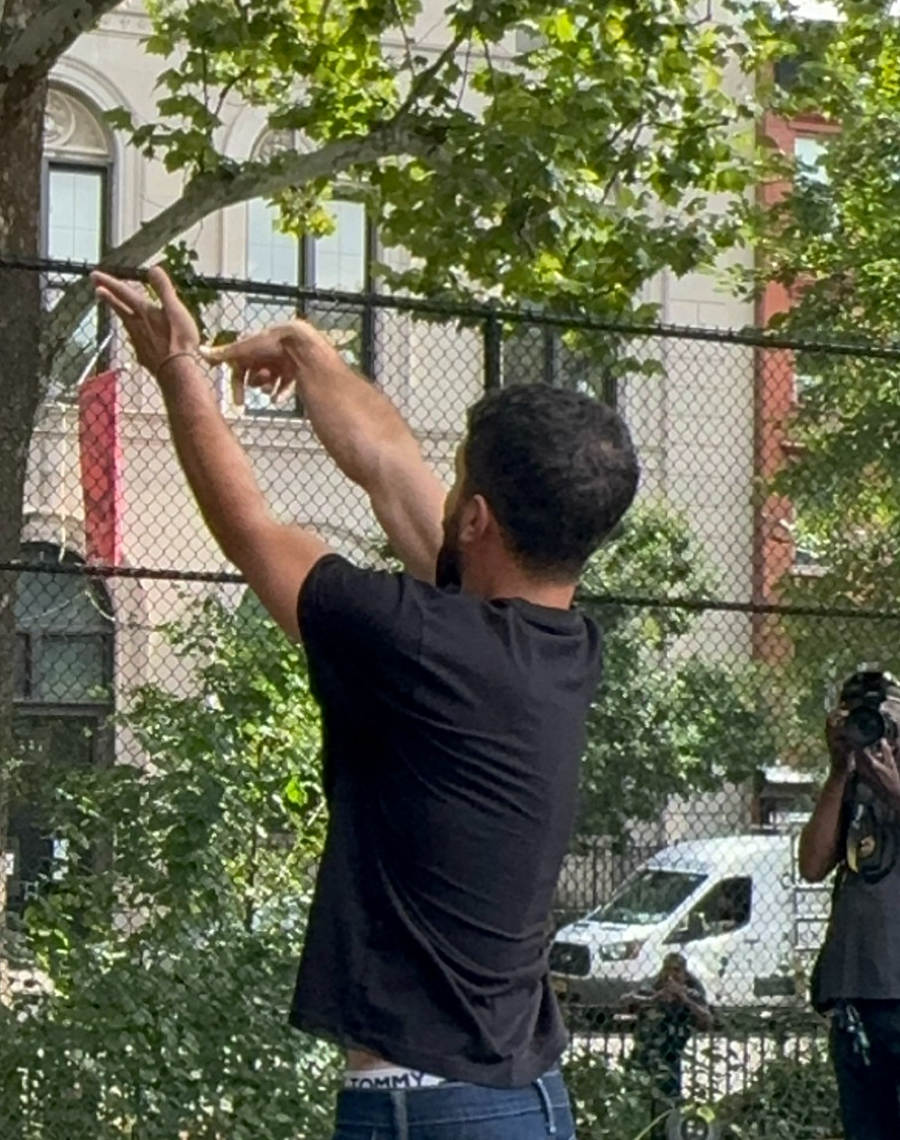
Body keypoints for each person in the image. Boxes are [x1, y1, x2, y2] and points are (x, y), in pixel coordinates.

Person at [93, 268, 640, 1140]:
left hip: (429, 1113)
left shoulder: (418, 641)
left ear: (479, 521)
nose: (443, 487)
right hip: (514, 1102)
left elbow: (252, 530)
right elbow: (391, 465)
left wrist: (179, 367)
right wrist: (312, 355)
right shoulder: (560, 647)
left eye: (459, 479)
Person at [801, 669, 900, 1139]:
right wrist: (839, 770)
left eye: (883, 717)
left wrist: (894, 792)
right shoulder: (849, 785)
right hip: (856, 993)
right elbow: (813, 864)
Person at [623, 953, 713, 1129]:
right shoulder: (651, 988)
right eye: (667, 970)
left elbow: (707, 1020)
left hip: (670, 1062)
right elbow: (626, 1001)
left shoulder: (691, 993)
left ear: (684, 975)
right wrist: (654, 999)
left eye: (677, 971)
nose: (671, 976)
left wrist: (684, 998)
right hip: (643, 1058)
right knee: (636, 1110)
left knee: (668, 1113)